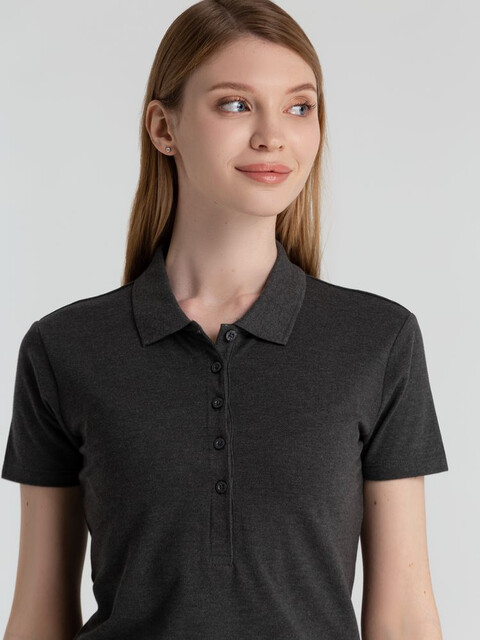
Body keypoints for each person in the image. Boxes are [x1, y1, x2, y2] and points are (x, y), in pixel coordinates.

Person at [2, 1, 449, 639]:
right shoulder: (64, 348)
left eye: (299, 107)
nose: (273, 136)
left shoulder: (377, 341)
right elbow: (38, 616)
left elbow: (404, 616)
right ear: (163, 127)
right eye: (236, 104)